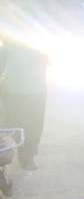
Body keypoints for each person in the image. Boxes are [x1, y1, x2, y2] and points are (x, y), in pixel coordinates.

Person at [0, 39, 49, 170]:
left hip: (35, 91)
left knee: (32, 126)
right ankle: (22, 153)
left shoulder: (39, 46)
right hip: (13, 93)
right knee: (14, 125)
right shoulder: (7, 48)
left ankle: (28, 155)